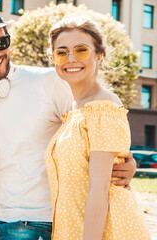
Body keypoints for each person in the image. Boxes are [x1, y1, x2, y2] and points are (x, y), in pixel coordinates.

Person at [0, 2, 138, 239]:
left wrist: (124, 162)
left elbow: (94, 128)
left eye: (1, 43)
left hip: (35, 223)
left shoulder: (49, 82)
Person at [44, 16, 151, 240]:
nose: (70, 59)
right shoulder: (74, 110)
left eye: (81, 50)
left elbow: (99, 191)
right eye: (61, 52)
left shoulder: (104, 107)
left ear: (99, 55)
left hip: (105, 232)